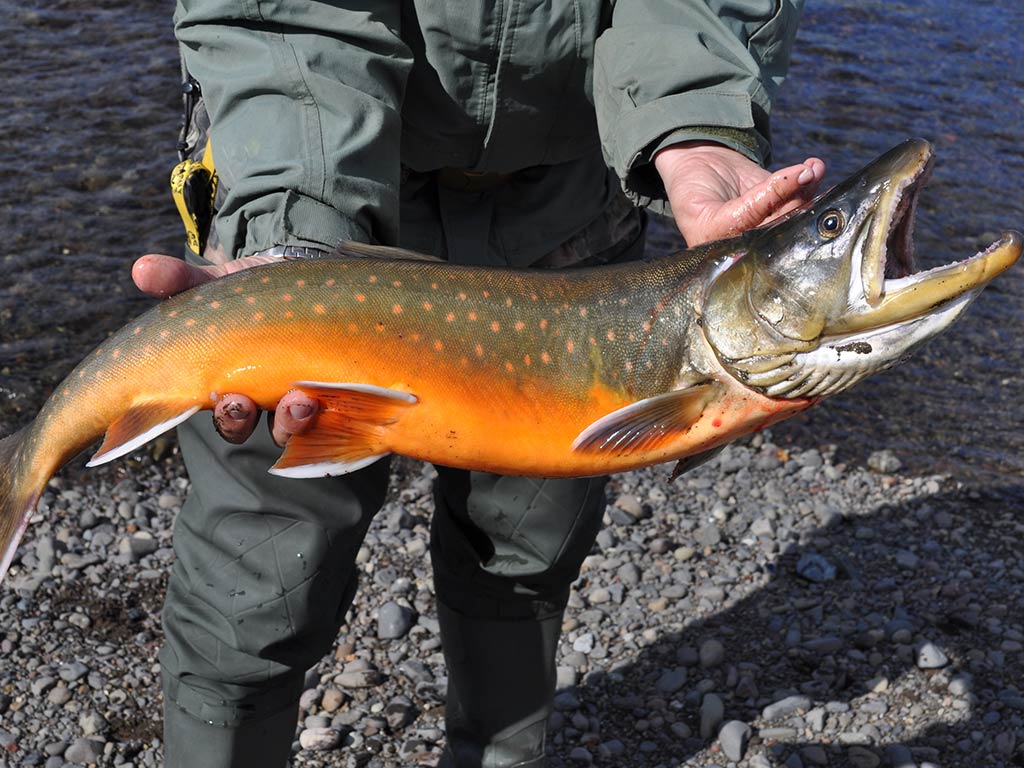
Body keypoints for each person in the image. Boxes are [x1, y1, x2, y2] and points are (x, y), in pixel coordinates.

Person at [132, 1, 826, 766]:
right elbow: (279, 16)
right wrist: (297, 238)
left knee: (523, 558)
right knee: (255, 577)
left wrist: (696, 124)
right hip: (305, 183)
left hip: (568, 209)